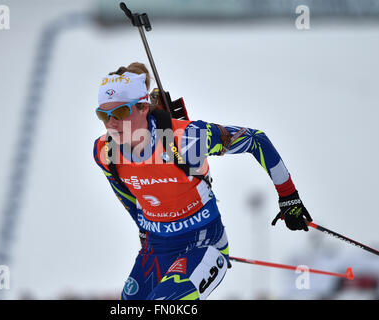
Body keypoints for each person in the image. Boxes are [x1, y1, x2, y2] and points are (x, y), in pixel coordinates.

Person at [93, 62, 313, 300]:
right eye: (103, 114)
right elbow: (125, 194)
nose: (111, 123)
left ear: (143, 107)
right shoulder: (105, 151)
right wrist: (145, 229)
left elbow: (256, 140)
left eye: (120, 112)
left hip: (204, 244)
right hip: (157, 250)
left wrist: (289, 197)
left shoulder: (187, 139)